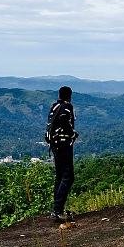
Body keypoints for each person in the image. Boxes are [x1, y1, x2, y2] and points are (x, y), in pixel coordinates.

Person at [46, 86, 78, 223]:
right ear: (69, 96)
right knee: (68, 177)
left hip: (54, 144)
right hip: (63, 144)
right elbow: (65, 120)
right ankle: (57, 210)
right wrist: (72, 134)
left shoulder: (54, 106)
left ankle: (57, 209)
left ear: (59, 95)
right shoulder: (67, 107)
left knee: (59, 176)